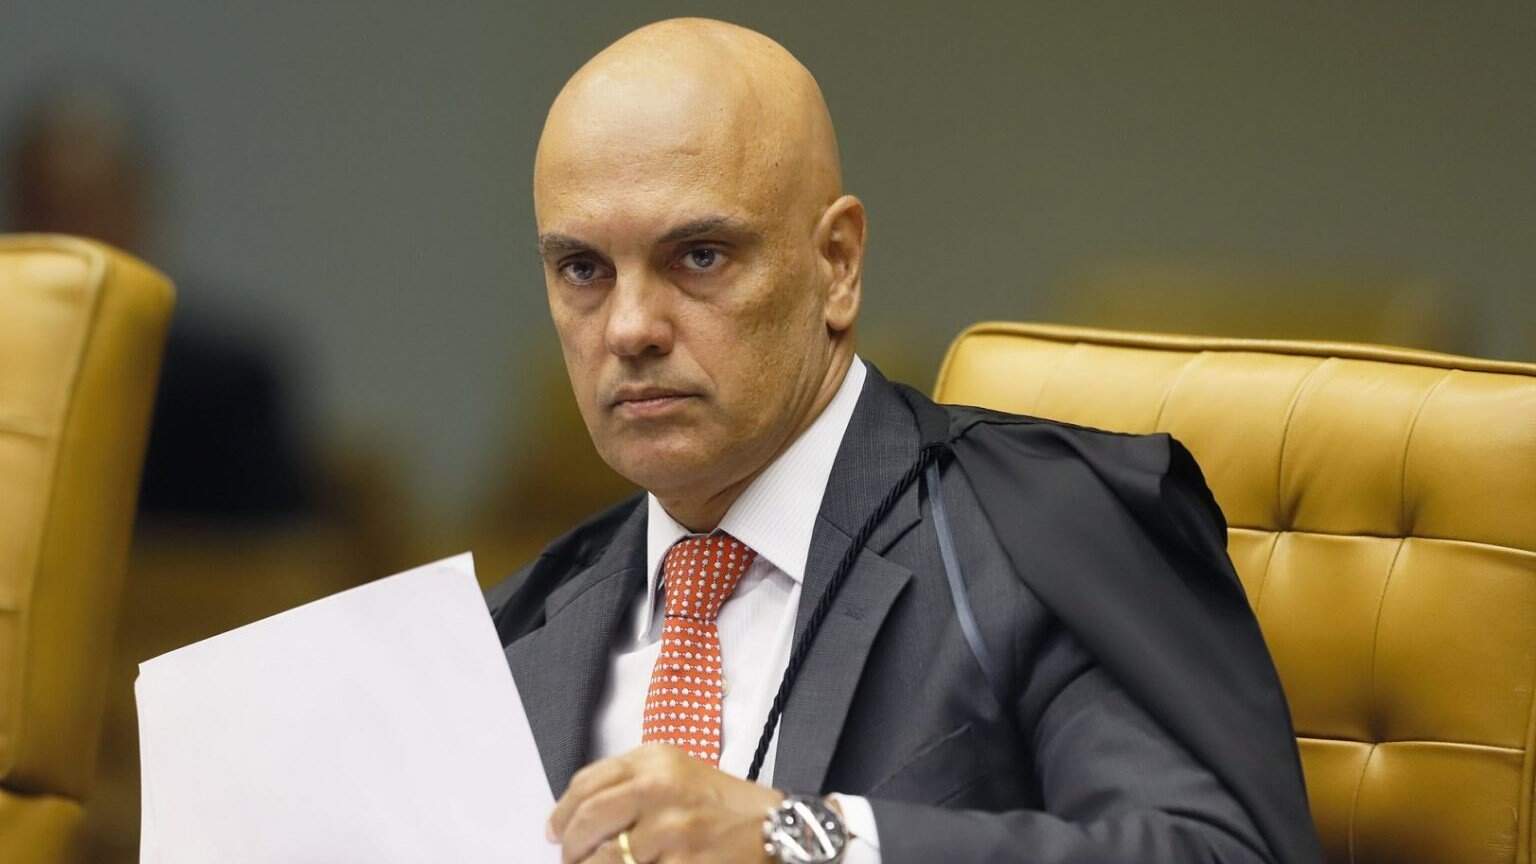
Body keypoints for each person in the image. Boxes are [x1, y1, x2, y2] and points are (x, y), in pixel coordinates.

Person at [487, 18, 1320, 864]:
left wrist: (802, 839)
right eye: (583, 270)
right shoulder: (506, 637)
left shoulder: (1045, 537)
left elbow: (1217, 851)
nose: (630, 328)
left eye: (699, 256)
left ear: (837, 265)